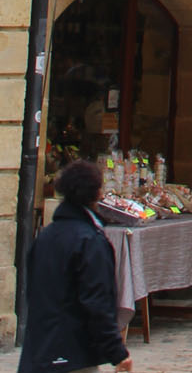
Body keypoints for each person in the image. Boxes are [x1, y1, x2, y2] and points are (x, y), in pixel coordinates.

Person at [19, 159, 131, 373]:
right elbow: (97, 303)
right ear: (96, 194)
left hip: (39, 354)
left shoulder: (46, 236)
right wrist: (117, 352)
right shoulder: (90, 241)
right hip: (72, 355)